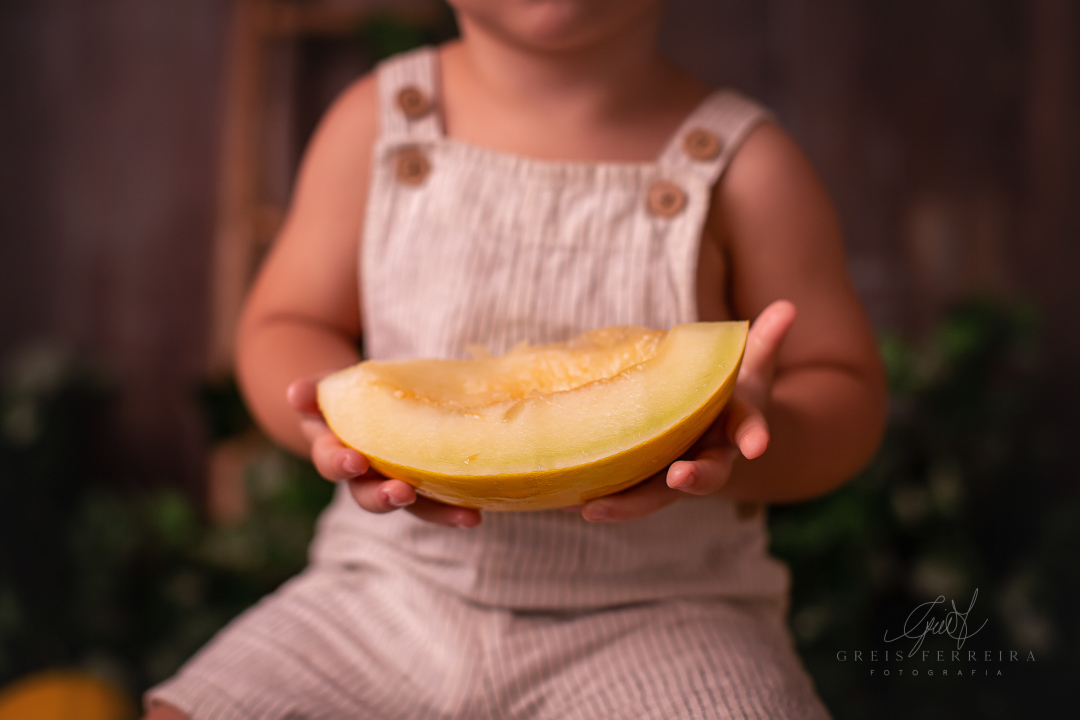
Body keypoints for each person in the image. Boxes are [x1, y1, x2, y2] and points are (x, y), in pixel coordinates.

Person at [146, 0, 887, 718]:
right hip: (386, 589)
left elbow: (844, 389)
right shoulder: (374, 122)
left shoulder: (747, 163)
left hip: (666, 611)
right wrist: (326, 417)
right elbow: (288, 320)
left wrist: (749, 436)